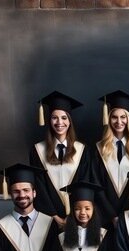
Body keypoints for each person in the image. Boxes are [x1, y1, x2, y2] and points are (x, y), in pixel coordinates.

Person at [30, 91, 92, 228]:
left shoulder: (82, 150)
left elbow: (85, 181)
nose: (59, 122)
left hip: (77, 217)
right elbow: (39, 186)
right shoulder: (37, 150)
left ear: (70, 121)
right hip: (48, 217)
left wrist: (74, 215)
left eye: (64, 118)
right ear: (49, 120)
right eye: (54, 118)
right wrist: (55, 216)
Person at [92, 90, 129, 227]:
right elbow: (95, 184)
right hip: (104, 215)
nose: (119, 121)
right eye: (114, 117)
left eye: (123, 117)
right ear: (108, 119)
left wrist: (126, 213)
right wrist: (112, 215)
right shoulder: (98, 149)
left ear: (128, 119)